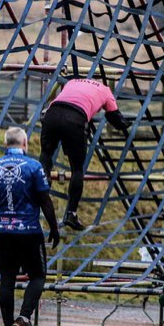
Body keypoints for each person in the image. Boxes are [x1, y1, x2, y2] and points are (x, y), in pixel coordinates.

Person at [0, 127, 60, 326]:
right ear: (25, 143)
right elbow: (45, 200)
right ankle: (24, 318)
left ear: (6, 144)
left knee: (7, 278)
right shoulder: (34, 167)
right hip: (29, 231)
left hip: (3, 231)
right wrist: (54, 227)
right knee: (38, 276)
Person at [39, 78, 131, 231]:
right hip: (76, 117)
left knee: (46, 155)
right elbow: (116, 120)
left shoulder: (73, 81)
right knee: (76, 168)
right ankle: (71, 214)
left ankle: (40, 191)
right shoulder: (106, 90)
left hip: (52, 113)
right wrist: (129, 124)